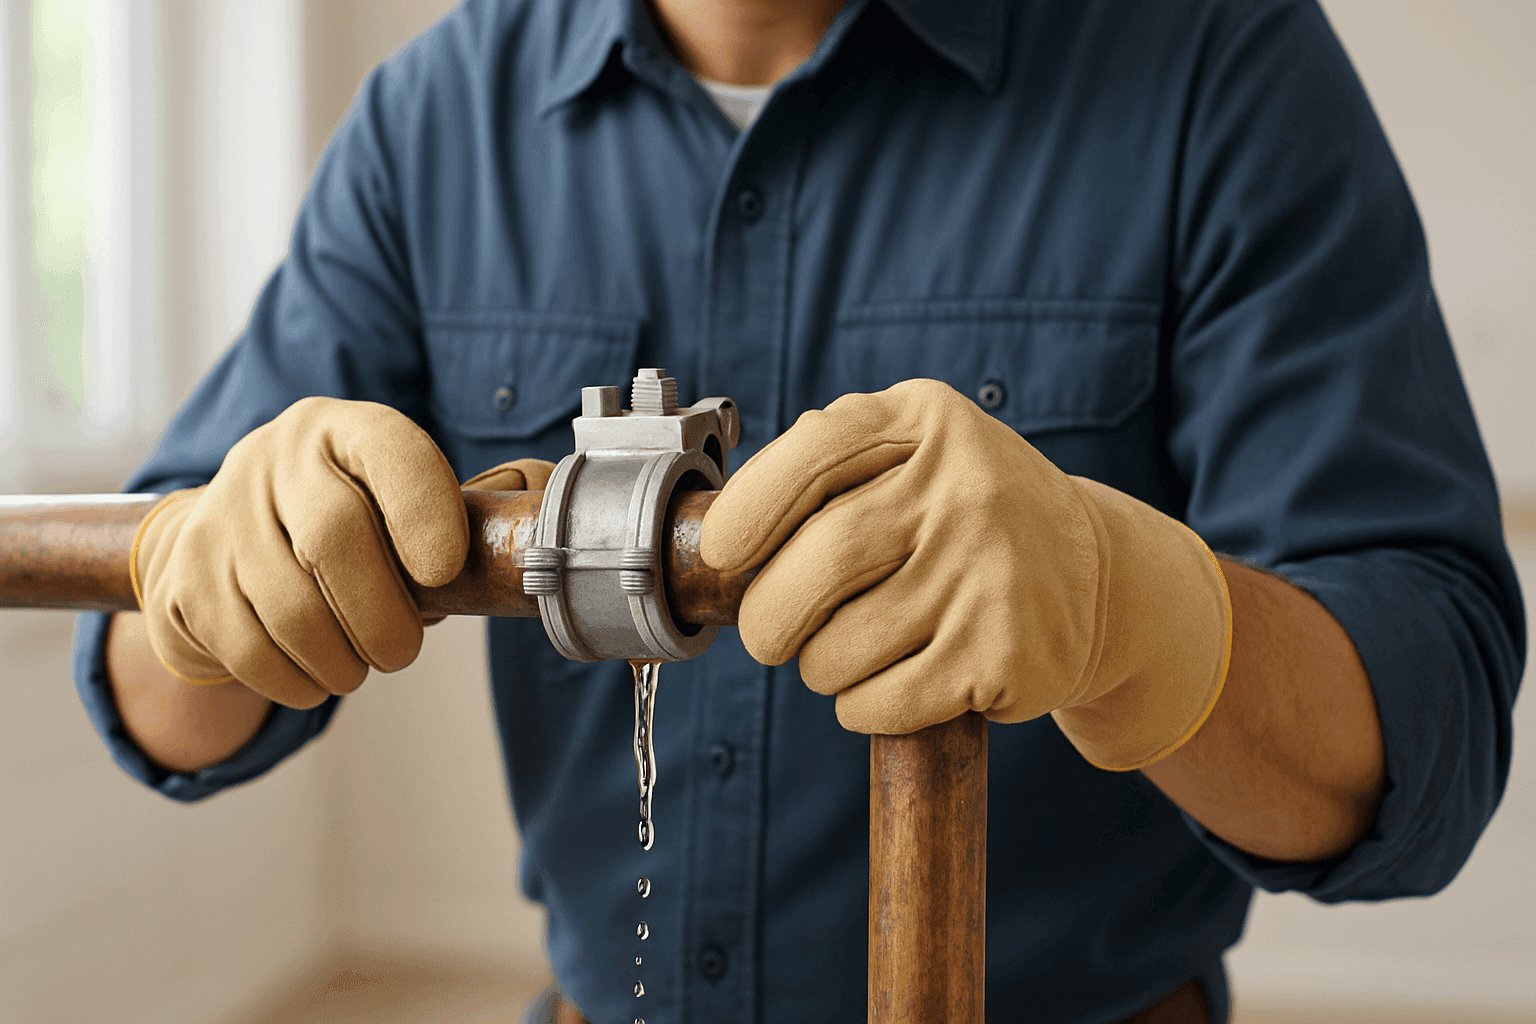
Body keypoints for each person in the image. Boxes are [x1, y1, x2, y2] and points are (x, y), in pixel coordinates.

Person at [77, 0, 1525, 1021]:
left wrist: (1131, 614)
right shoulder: (427, 117)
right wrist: (207, 587)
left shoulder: (1222, 56)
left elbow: (1425, 738)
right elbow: (157, 696)